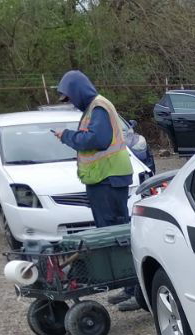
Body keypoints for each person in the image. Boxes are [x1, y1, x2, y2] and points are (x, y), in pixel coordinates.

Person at [51, 70, 142, 311]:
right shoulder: (93, 108)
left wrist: (67, 136)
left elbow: (97, 140)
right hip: (104, 179)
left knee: (118, 237)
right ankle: (130, 287)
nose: (71, 103)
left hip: (109, 179)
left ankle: (138, 291)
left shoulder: (98, 107)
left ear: (77, 90)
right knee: (112, 235)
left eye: (70, 97)